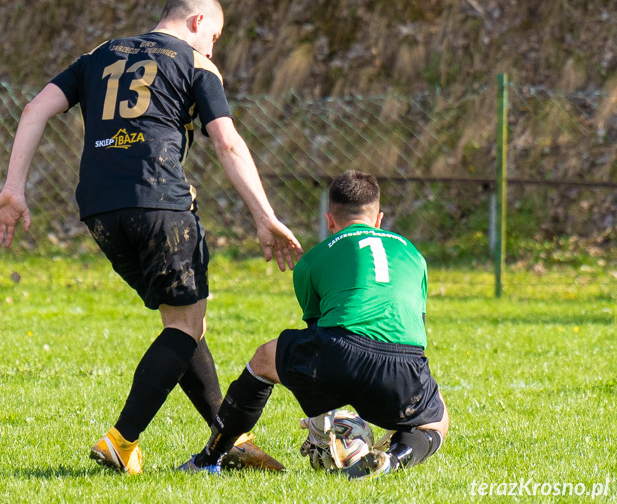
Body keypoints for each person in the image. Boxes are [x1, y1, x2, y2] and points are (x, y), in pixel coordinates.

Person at [0, 0, 303, 474]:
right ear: (196, 23)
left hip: (99, 210)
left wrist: (14, 188)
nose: (214, 48)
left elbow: (34, 110)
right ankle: (122, 439)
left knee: (184, 323)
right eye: (214, 35)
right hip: (161, 203)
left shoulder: (97, 55)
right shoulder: (197, 64)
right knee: (184, 325)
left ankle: (230, 438)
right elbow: (227, 142)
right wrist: (265, 215)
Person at [180, 170, 449, 478]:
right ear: (379, 219)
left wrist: (322, 416)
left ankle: (210, 458)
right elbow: (416, 325)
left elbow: (317, 333)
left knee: (263, 360)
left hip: (341, 352)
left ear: (329, 220)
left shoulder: (314, 259)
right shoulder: (415, 255)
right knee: (437, 417)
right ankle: (394, 459)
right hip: (405, 363)